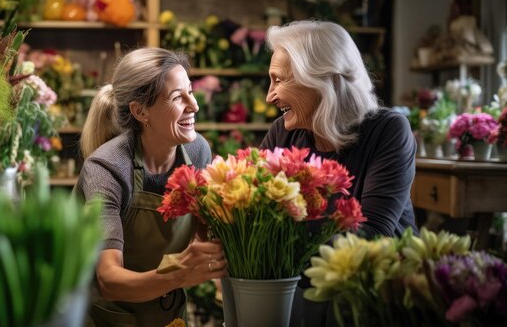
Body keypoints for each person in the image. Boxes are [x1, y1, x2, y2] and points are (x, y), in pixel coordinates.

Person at [260, 20, 418, 326]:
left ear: (319, 79)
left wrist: (277, 242)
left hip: (375, 295)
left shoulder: (387, 130)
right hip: (307, 289)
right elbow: (258, 218)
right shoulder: (283, 133)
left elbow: (373, 237)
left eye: (278, 80)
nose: (269, 96)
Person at [75, 47, 227, 327]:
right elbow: (109, 280)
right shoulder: (107, 169)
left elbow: (207, 233)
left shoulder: (197, 153)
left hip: (169, 315)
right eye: (176, 97)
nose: (193, 105)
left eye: (190, 92)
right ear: (140, 111)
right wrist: (180, 274)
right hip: (106, 318)